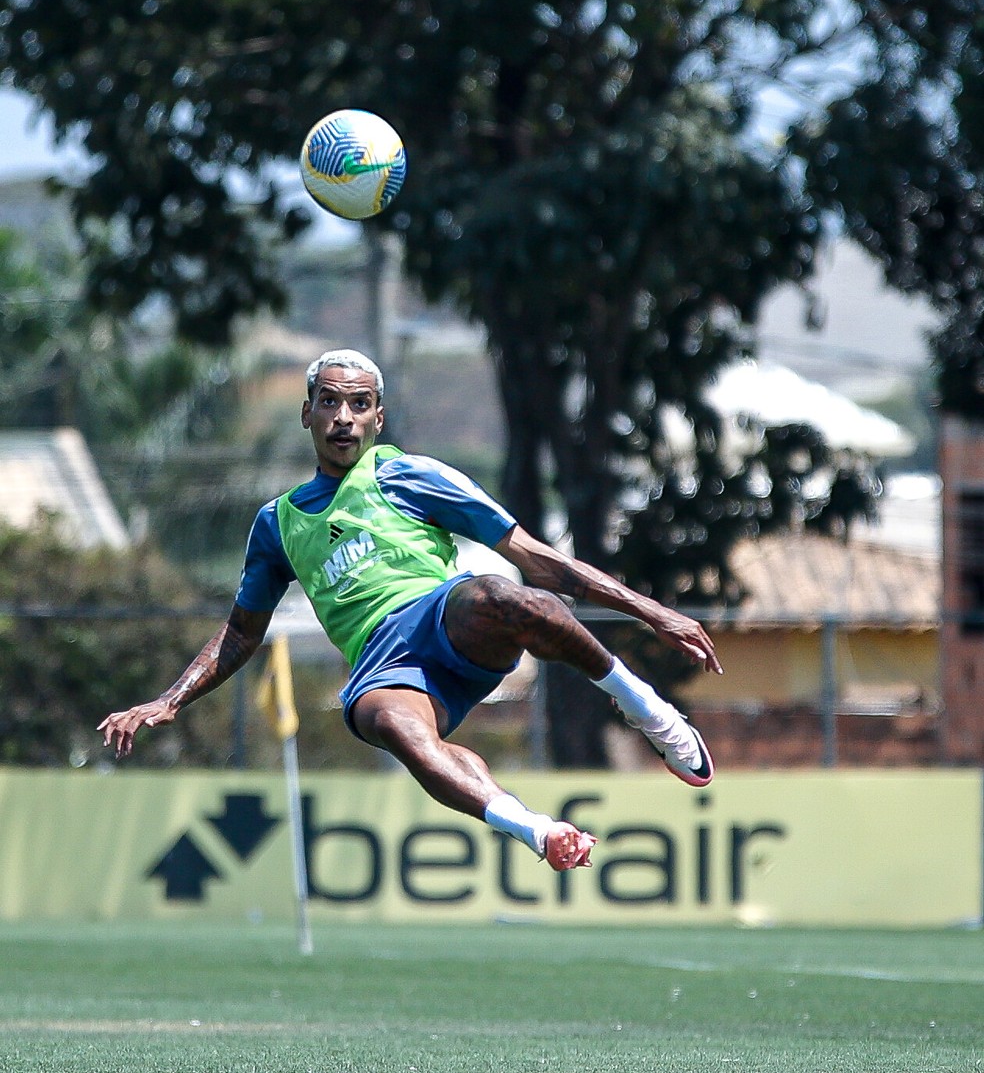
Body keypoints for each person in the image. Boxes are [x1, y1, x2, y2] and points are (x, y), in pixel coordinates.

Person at [100, 349, 722, 872]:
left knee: (506, 593)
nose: (344, 417)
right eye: (330, 402)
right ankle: (534, 831)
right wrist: (167, 700)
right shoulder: (277, 524)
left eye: (359, 404)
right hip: (384, 667)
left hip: (445, 620)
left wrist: (653, 612)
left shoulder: (408, 476)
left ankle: (647, 709)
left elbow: (539, 560)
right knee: (396, 729)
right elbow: (240, 634)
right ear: (307, 412)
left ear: (378, 417)